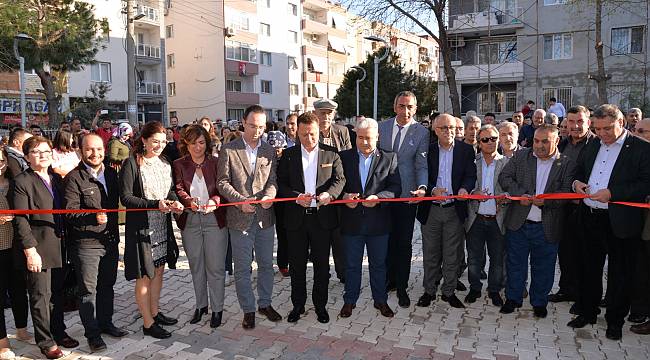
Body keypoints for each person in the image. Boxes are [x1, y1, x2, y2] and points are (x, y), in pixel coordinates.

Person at [569, 104, 650, 340]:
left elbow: (645, 183)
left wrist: (613, 193)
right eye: (598, 128)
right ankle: (587, 311)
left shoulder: (641, 149)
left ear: (621, 123)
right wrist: (577, 184)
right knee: (588, 268)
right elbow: (580, 170)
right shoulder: (593, 143)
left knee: (619, 273)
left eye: (607, 129)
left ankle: (614, 321)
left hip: (620, 221)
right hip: (589, 216)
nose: (602, 134)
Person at [498, 124, 575, 318]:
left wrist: (546, 202)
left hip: (546, 226)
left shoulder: (566, 163)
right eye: (536, 141)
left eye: (545, 141)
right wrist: (519, 194)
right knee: (515, 264)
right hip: (519, 224)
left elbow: (566, 192)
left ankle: (539, 302)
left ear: (556, 141)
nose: (539, 146)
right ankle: (513, 298)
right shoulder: (522, 156)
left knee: (544, 267)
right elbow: (504, 177)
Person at [216, 105, 281, 329]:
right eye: (253, 125)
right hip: (239, 217)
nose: (257, 131)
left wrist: (270, 196)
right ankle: (249, 309)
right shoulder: (229, 149)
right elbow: (222, 182)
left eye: (261, 127)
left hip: (264, 217)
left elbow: (272, 180)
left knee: (266, 264)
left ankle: (265, 303)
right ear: (243, 122)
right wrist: (239, 201)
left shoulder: (269, 151)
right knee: (243, 267)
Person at [277, 112, 345, 324]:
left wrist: (330, 195)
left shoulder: (331, 153)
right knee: (297, 266)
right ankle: (298, 305)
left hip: (322, 219)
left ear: (319, 131)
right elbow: (281, 184)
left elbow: (340, 179)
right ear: (297, 131)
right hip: (296, 219)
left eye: (313, 134)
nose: (309, 139)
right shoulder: (288, 155)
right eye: (305, 134)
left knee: (322, 266)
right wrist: (296, 197)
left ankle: (320, 306)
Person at [119, 121, 184, 339]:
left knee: (158, 271)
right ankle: (147, 323)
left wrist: (175, 203)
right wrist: (154, 204)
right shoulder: (132, 164)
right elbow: (126, 198)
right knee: (144, 276)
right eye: (155, 141)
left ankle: (155, 313)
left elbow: (171, 191)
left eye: (163, 141)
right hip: (142, 228)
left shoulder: (165, 162)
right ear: (144, 140)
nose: (159, 145)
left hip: (161, 226)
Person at [64, 134, 128, 352]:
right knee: (87, 292)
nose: (95, 154)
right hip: (86, 243)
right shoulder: (73, 178)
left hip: (109, 240)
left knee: (107, 286)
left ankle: (106, 324)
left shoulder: (111, 173)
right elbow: (69, 212)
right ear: (80, 151)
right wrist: (92, 216)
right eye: (90, 149)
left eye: (99, 149)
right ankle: (92, 335)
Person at [11, 136, 67, 359]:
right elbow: (20, 219)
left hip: (58, 244)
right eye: (36, 151)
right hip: (37, 247)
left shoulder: (55, 178)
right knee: (39, 296)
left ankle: (56, 331)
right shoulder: (22, 181)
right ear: (26, 157)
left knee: (55, 294)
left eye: (46, 150)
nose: (43, 155)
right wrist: (30, 251)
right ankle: (45, 341)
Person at [339, 117, 400, 319]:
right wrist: (344, 197)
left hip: (378, 222)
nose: (365, 142)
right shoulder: (343, 157)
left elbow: (395, 188)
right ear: (355, 136)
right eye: (361, 138)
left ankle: (380, 300)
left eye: (369, 138)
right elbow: (336, 185)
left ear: (378, 137)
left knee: (379, 264)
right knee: (352, 264)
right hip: (352, 220)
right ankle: (350, 301)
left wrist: (379, 198)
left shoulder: (389, 158)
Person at [415, 114, 477, 309]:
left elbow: (470, 175)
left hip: (454, 209)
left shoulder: (465, 150)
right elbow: (422, 174)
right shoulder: (428, 151)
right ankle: (429, 291)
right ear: (435, 130)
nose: (448, 131)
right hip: (431, 209)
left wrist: (465, 188)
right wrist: (432, 189)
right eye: (443, 128)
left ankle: (448, 292)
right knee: (431, 253)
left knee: (452, 254)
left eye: (451, 127)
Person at [173, 125, 228, 328]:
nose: (198, 147)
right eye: (193, 143)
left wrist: (214, 200)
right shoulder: (178, 164)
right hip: (191, 220)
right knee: (196, 265)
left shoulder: (216, 162)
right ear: (186, 144)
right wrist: (189, 202)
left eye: (202, 142)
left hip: (215, 219)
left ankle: (218, 309)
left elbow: (223, 186)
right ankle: (201, 305)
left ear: (207, 143)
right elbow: (178, 188)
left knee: (215, 266)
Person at [379, 91, 429, 308]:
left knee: (403, 243)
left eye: (410, 107)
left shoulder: (422, 132)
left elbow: (421, 164)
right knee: (385, 240)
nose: (405, 111)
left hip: (407, 195)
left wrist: (422, 187)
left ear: (415, 109)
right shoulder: (382, 127)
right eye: (401, 106)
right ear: (394, 106)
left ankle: (402, 286)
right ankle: (387, 281)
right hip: (384, 194)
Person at [549, 106, 595, 305]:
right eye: (571, 121)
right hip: (565, 207)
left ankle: (583, 296)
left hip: (588, 208)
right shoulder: (563, 144)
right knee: (566, 252)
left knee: (586, 255)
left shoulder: (597, 145)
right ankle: (566, 289)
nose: (575, 126)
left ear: (588, 122)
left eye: (580, 121)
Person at [464, 125, 509, 307]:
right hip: (476, 218)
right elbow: (466, 185)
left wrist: (505, 198)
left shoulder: (506, 162)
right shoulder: (472, 162)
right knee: (474, 258)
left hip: (498, 220)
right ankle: (475, 288)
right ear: (479, 143)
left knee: (497, 259)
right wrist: (474, 192)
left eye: (493, 138)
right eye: (485, 139)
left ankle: (494, 290)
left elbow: (510, 187)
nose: (490, 142)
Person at [313, 98, 351, 283]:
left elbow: (349, 158)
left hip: (339, 188)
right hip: (318, 192)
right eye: (322, 113)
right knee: (320, 236)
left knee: (340, 237)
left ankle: (343, 273)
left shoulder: (342, 131)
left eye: (329, 113)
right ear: (315, 114)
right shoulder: (310, 132)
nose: (326, 116)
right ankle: (323, 272)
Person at [0, 149, 30, 360]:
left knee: (19, 290)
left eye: (1, 160)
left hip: (17, 246)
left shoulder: (15, 183)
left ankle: (21, 328)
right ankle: (2, 341)